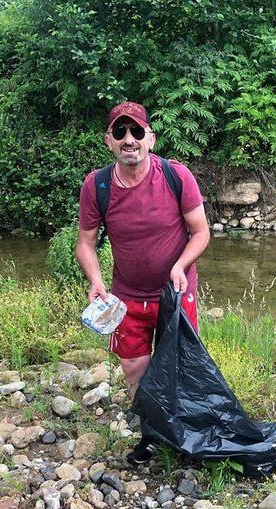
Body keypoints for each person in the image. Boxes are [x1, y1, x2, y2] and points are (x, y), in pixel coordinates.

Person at [76, 101, 210, 463]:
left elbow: (200, 233)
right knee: (135, 368)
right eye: (120, 133)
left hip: (175, 291)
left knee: (179, 364)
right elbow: (85, 243)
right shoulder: (97, 185)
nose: (129, 139)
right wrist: (96, 280)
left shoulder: (176, 176)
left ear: (149, 138)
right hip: (126, 297)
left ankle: (182, 431)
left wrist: (182, 264)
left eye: (136, 131)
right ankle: (151, 432)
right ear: (109, 141)